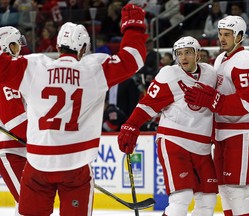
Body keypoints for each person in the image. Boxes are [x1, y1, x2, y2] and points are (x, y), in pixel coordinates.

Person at [0, 3, 147, 215]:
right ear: (84, 49)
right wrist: (133, 28)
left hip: (38, 163)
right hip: (76, 164)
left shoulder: (33, 66)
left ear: (58, 46)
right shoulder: (93, 70)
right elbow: (133, 58)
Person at [118, 36, 218, 216]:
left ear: (198, 55)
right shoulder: (169, 74)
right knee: (181, 200)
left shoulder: (211, 74)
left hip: (202, 147)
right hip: (174, 141)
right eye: (179, 54)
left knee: (208, 202)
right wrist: (131, 125)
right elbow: (148, 104)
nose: (183, 57)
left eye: (188, 52)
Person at [185, 16, 249, 216]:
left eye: (227, 35)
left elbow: (247, 103)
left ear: (240, 36)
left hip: (245, 130)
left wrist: (211, 100)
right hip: (225, 130)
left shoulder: (245, 61)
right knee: (225, 188)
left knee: (237, 189)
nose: (222, 38)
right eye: (220, 34)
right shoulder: (220, 59)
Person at [0, 26, 27, 215]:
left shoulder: (16, 73)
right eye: (15, 46)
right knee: (28, 204)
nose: (19, 51)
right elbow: (15, 120)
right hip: (10, 150)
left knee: (30, 204)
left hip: (22, 148)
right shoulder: (5, 78)